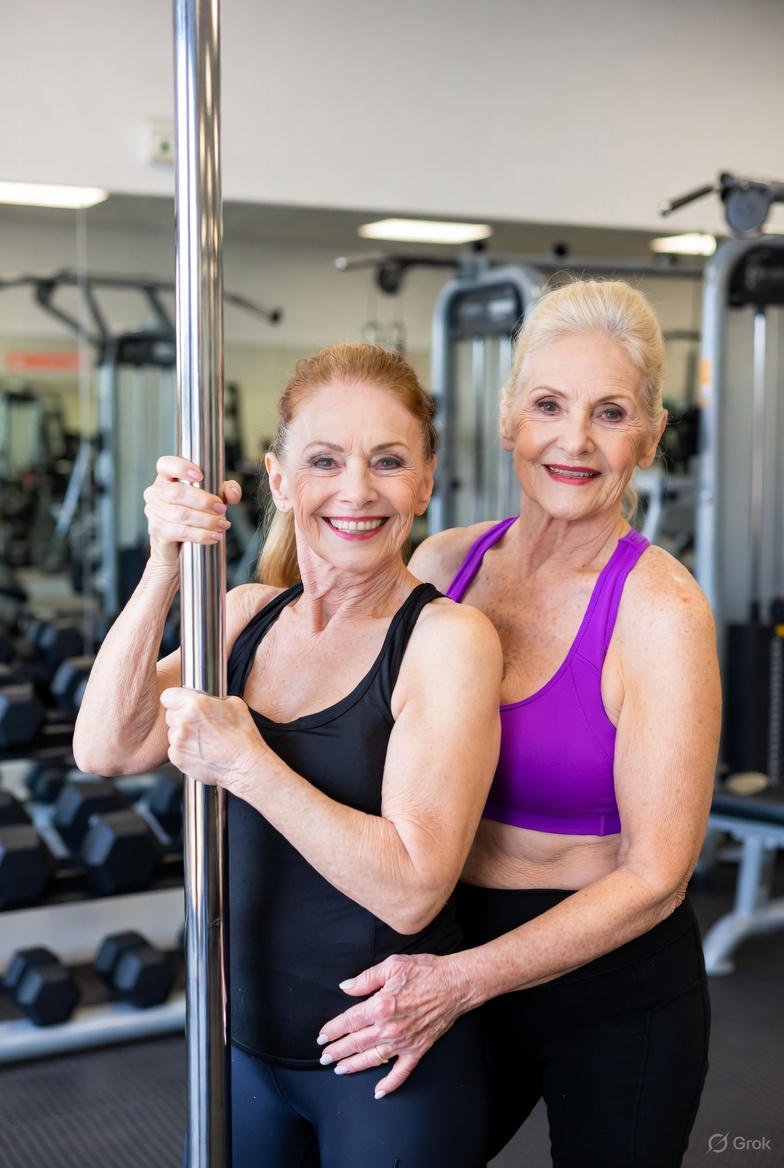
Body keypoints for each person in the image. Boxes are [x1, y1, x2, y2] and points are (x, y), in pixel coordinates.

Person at [316, 281, 722, 1168]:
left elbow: (657, 877)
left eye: (610, 414)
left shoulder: (660, 611)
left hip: (608, 984)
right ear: (509, 421)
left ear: (649, 438)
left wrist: (459, 982)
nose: (574, 441)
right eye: (548, 406)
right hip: (447, 941)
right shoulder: (444, 562)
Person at [73, 343, 504, 1168]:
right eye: (324, 460)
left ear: (424, 479)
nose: (356, 490)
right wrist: (165, 566)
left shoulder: (446, 641)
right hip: (240, 1051)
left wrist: (250, 766)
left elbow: (412, 888)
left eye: (387, 461)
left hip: (379, 1068)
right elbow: (107, 745)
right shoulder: (239, 616)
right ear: (276, 479)